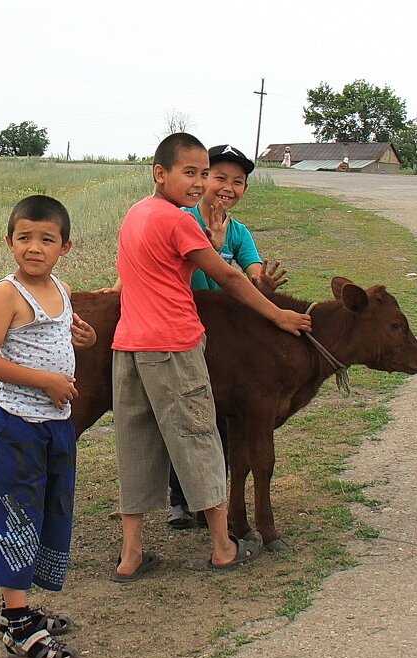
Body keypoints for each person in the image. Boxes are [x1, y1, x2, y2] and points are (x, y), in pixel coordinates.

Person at [110, 133, 310, 582]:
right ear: (160, 174)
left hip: (128, 345)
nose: (199, 183)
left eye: (204, 174)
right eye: (191, 173)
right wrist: (279, 314)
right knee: (199, 438)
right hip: (174, 346)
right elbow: (228, 276)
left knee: (137, 446)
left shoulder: (135, 214)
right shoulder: (180, 222)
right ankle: (223, 547)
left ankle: (131, 555)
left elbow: (128, 271)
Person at [0, 195, 97, 658]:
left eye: (46, 239)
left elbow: (57, 339)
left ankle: (24, 607)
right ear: (9, 242)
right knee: (15, 517)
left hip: (57, 427)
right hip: (17, 429)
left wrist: (80, 339)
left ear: (65, 246)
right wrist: (46, 381)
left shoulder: (62, 289)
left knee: (48, 512)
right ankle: (18, 627)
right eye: (24, 237)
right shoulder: (7, 293)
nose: (34, 247)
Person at [168, 143, 287, 529]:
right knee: (181, 412)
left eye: (238, 182)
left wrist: (262, 282)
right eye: (219, 177)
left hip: (223, 340)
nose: (228, 187)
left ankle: (211, 498)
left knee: (217, 415)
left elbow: (251, 270)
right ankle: (181, 499)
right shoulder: (180, 218)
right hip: (181, 327)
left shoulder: (238, 231)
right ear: (202, 180)